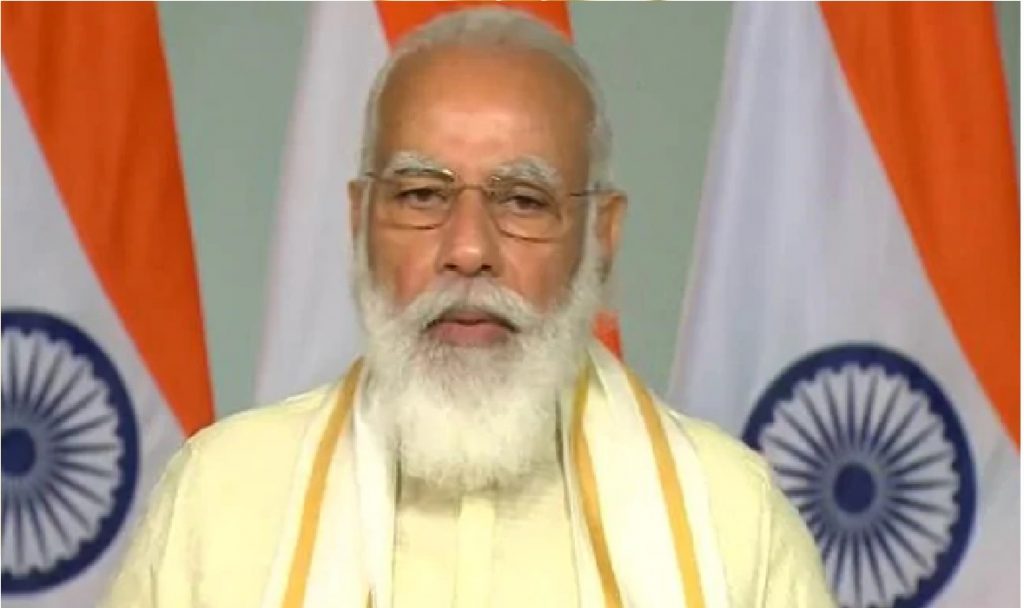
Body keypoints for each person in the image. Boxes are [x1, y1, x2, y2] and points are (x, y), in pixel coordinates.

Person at [103, 7, 833, 608]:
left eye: (524, 201)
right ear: (359, 222)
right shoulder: (218, 500)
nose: (468, 249)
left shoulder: (732, 518)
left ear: (601, 237)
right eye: (422, 195)